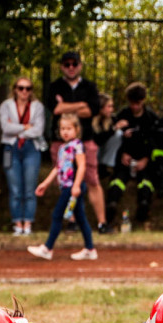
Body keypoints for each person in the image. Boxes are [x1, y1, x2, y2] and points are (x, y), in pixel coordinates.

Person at [48, 51, 108, 233]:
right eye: (67, 64)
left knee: (92, 180)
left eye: (74, 64)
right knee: (65, 181)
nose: (71, 67)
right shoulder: (54, 86)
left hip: (86, 141)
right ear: (61, 67)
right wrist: (80, 105)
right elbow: (56, 109)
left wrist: (66, 106)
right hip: (60, 142)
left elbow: (92, 110)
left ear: (80, 65)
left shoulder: (90, 86)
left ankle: (102, 223)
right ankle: (72, 222)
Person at [27, 113, 97, 261]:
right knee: (81, 218)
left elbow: (82, 166)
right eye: (62, 128)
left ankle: (48, 248)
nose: (65, 131)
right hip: (67, 187)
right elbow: (57, 168)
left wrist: (77, 186)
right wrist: (45, 184)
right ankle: (90, 249)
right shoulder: (63, 148)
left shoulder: (77, 145)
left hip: (72, 187)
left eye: (69, 128)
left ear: (76, 130)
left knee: (57, 215)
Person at [106, 82, 161, 227]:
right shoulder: (123, 115)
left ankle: (143, 207)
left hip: (144, 160)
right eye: (132, 103)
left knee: (146, 182)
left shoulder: (151, 118)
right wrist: (123, 153)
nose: (134, 107)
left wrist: (146, 159)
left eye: (137, 103)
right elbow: (114, 138)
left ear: (143, 101)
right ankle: (111, 205)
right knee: (118, 180)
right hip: (125, 159)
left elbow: (155, 141)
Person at [0, 76, 46, 236]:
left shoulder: (37, 106)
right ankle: (17, 223)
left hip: (32, 148)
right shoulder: (6, 105)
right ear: (15, 89)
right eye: (21, 88)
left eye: (28, 88)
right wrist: (26, 127)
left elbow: (38, 130)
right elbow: (5, 127)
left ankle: (28, 223)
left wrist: (16, 128)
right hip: (10, 148)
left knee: (30, 188)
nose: (24, 91)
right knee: (15, 188)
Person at [92, 94, 122, 185]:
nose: (111, 109)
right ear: (101, 107)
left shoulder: (112, 118)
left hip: (103, 153)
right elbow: (97, 140)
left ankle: (105, 165)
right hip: (91, 153)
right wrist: (113, 129)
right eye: (109, 106)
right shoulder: (90, 121)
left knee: (119, 134)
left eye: (112, 106)